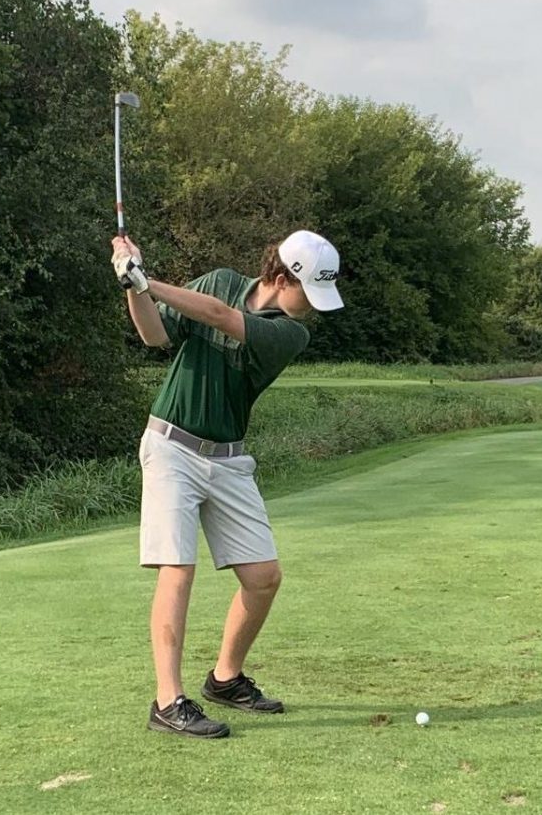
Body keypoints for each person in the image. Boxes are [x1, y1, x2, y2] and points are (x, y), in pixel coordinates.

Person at [110, 229, 343, 740]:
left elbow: (216, 316)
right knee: (178, 568)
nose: (315, 306)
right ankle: (169, 701)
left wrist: (149, 279)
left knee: (264, 577)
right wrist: (133, 287)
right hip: (170, 446)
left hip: (230, 460)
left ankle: (224, 678)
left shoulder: (291, 334)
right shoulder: (219, 281)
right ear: (281, 277)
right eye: (308, 292)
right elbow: (154, 335)